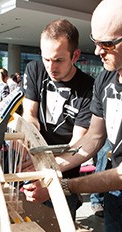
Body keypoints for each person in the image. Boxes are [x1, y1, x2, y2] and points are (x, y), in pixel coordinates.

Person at [23, 0, 122, 232]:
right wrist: (50, 167)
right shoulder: (105, 79)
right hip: (114, 192)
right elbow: (93, 137)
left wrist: (61, 186)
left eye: (108, 44)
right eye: (96, 41)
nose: (98, 51)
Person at [22, 19, 95, 220]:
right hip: (32, 167)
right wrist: (29, 135)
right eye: (46, 59)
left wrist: (48, 173)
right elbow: (30, 114)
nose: (50, 67)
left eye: (58, 60)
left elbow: (77, 144)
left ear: (76, 56)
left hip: (64, 172)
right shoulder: (35, 70)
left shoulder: (89, 88)